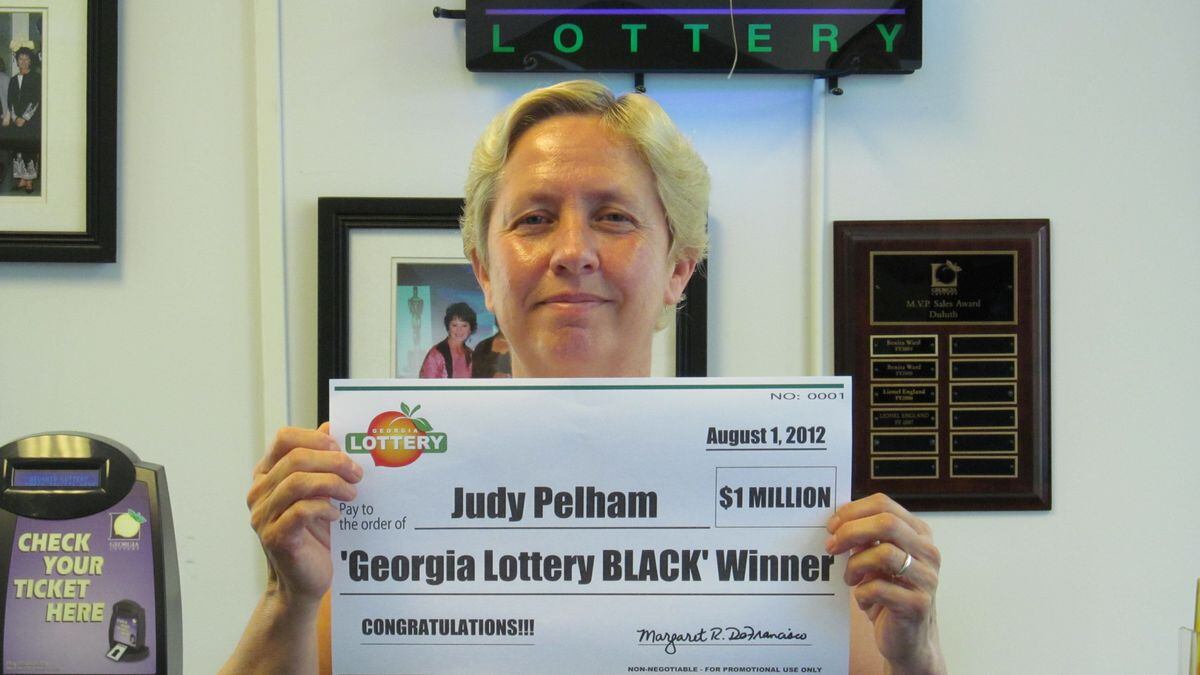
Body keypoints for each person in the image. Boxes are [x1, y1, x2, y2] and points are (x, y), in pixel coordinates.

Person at [223, 80, 945, 674]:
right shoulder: (376, 500)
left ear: (679, 268)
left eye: (614, 217)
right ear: (484, 270)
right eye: (534, 219)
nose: (572, 251)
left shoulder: (793, 521)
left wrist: (918, 654)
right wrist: (288, 598)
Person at [2, 47, 41, 194]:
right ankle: (22, 179)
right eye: (20, 59)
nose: (23, 62)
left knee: (29, 149)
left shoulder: (36, 78)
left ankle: (29, 181)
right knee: (18, 149)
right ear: (17, 61)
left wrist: (24, 118)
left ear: (30, 61)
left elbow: (36, 100)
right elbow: (10, 101)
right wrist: (14, 117)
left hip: (31, 121)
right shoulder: (13, 79)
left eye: (26, 59)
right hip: (16, 120)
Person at [417, 301, 477, 378]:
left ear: (470, 329)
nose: (459, 330)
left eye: (464, 325)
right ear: (448, 327)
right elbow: (426, 384)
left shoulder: (471, 355)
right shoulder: (436, 354)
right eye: (454, 325)